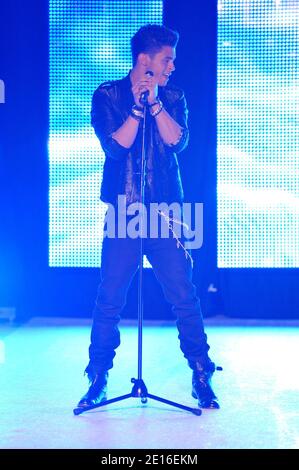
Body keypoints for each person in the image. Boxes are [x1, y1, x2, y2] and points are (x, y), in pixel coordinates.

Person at [77, 24, 220, 410]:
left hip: (165, 211)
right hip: (125, 209)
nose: (173, 65)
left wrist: (156, 105)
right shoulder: (108, 94)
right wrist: (137, 110)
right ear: (146, 60)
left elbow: (178, 141)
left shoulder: (173, 96)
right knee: (110, 296)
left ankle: (201, 371)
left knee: (183, 294)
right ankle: (98, 375)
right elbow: (115, 147)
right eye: (167, 58)